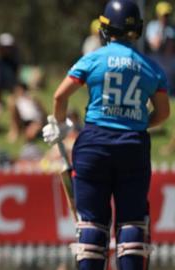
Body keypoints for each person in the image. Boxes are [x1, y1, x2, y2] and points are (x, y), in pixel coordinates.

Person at [41, 1, 170, 269]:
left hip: (93, 146)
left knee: (91, 223)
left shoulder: (93, 58)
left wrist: (61, 125)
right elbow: (163, 112)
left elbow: (59, 95)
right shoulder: (151, 67)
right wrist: (137, 123)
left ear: (105, 28)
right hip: (133, 147)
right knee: (132, 221)